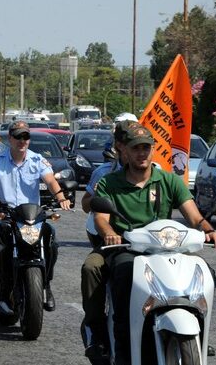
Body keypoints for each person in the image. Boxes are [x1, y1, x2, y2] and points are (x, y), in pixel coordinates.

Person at [92, 125, 216, 364]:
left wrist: (209, 230)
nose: (141, 153)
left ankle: (200, 332)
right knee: (123, 274)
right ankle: (121, 341)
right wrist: (111, 233)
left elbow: (193, 216)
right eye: (136, 148)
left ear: (153, 150)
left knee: (206, 271)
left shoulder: (169, 180)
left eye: (146, 148)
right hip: (127, 249)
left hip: (169, 248)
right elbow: (101, 218)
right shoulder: (110, 183)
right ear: (125, 152)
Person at [0, 121, 72, 311]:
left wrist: (62, 198)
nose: (22, 141)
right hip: (6, 215)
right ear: (10, 139)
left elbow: (51, 181)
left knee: (51, 238)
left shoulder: (38, 160)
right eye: (18, 137)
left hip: (32, 217)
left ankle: (46, 284)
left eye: (26, 137)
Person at [78, 120, 139, 362]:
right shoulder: (104, 174)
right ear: (119, 148)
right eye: (130, 145)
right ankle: (96, 332)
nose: (138, 152)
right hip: (111, 241)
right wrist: (101, 208)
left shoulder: (157, 174)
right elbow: (86, 204)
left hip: (151, 244)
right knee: (92, 267)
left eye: (143, 146)